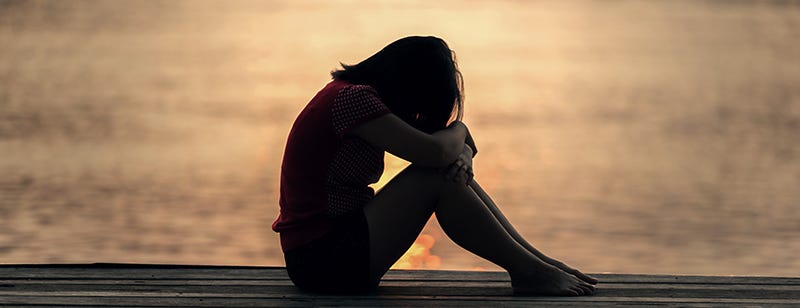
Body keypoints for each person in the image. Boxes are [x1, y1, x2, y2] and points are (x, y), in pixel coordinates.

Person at [272, 36, 597, 296]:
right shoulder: (353, 100)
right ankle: (529, 271)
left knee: (441, 173)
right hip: (322, 260)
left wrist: (463, 153)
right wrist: (461, 130)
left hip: (329, 252)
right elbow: (436, 152)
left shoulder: (351, 96)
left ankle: (535, 263)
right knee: (433, 177)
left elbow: (444, 151)